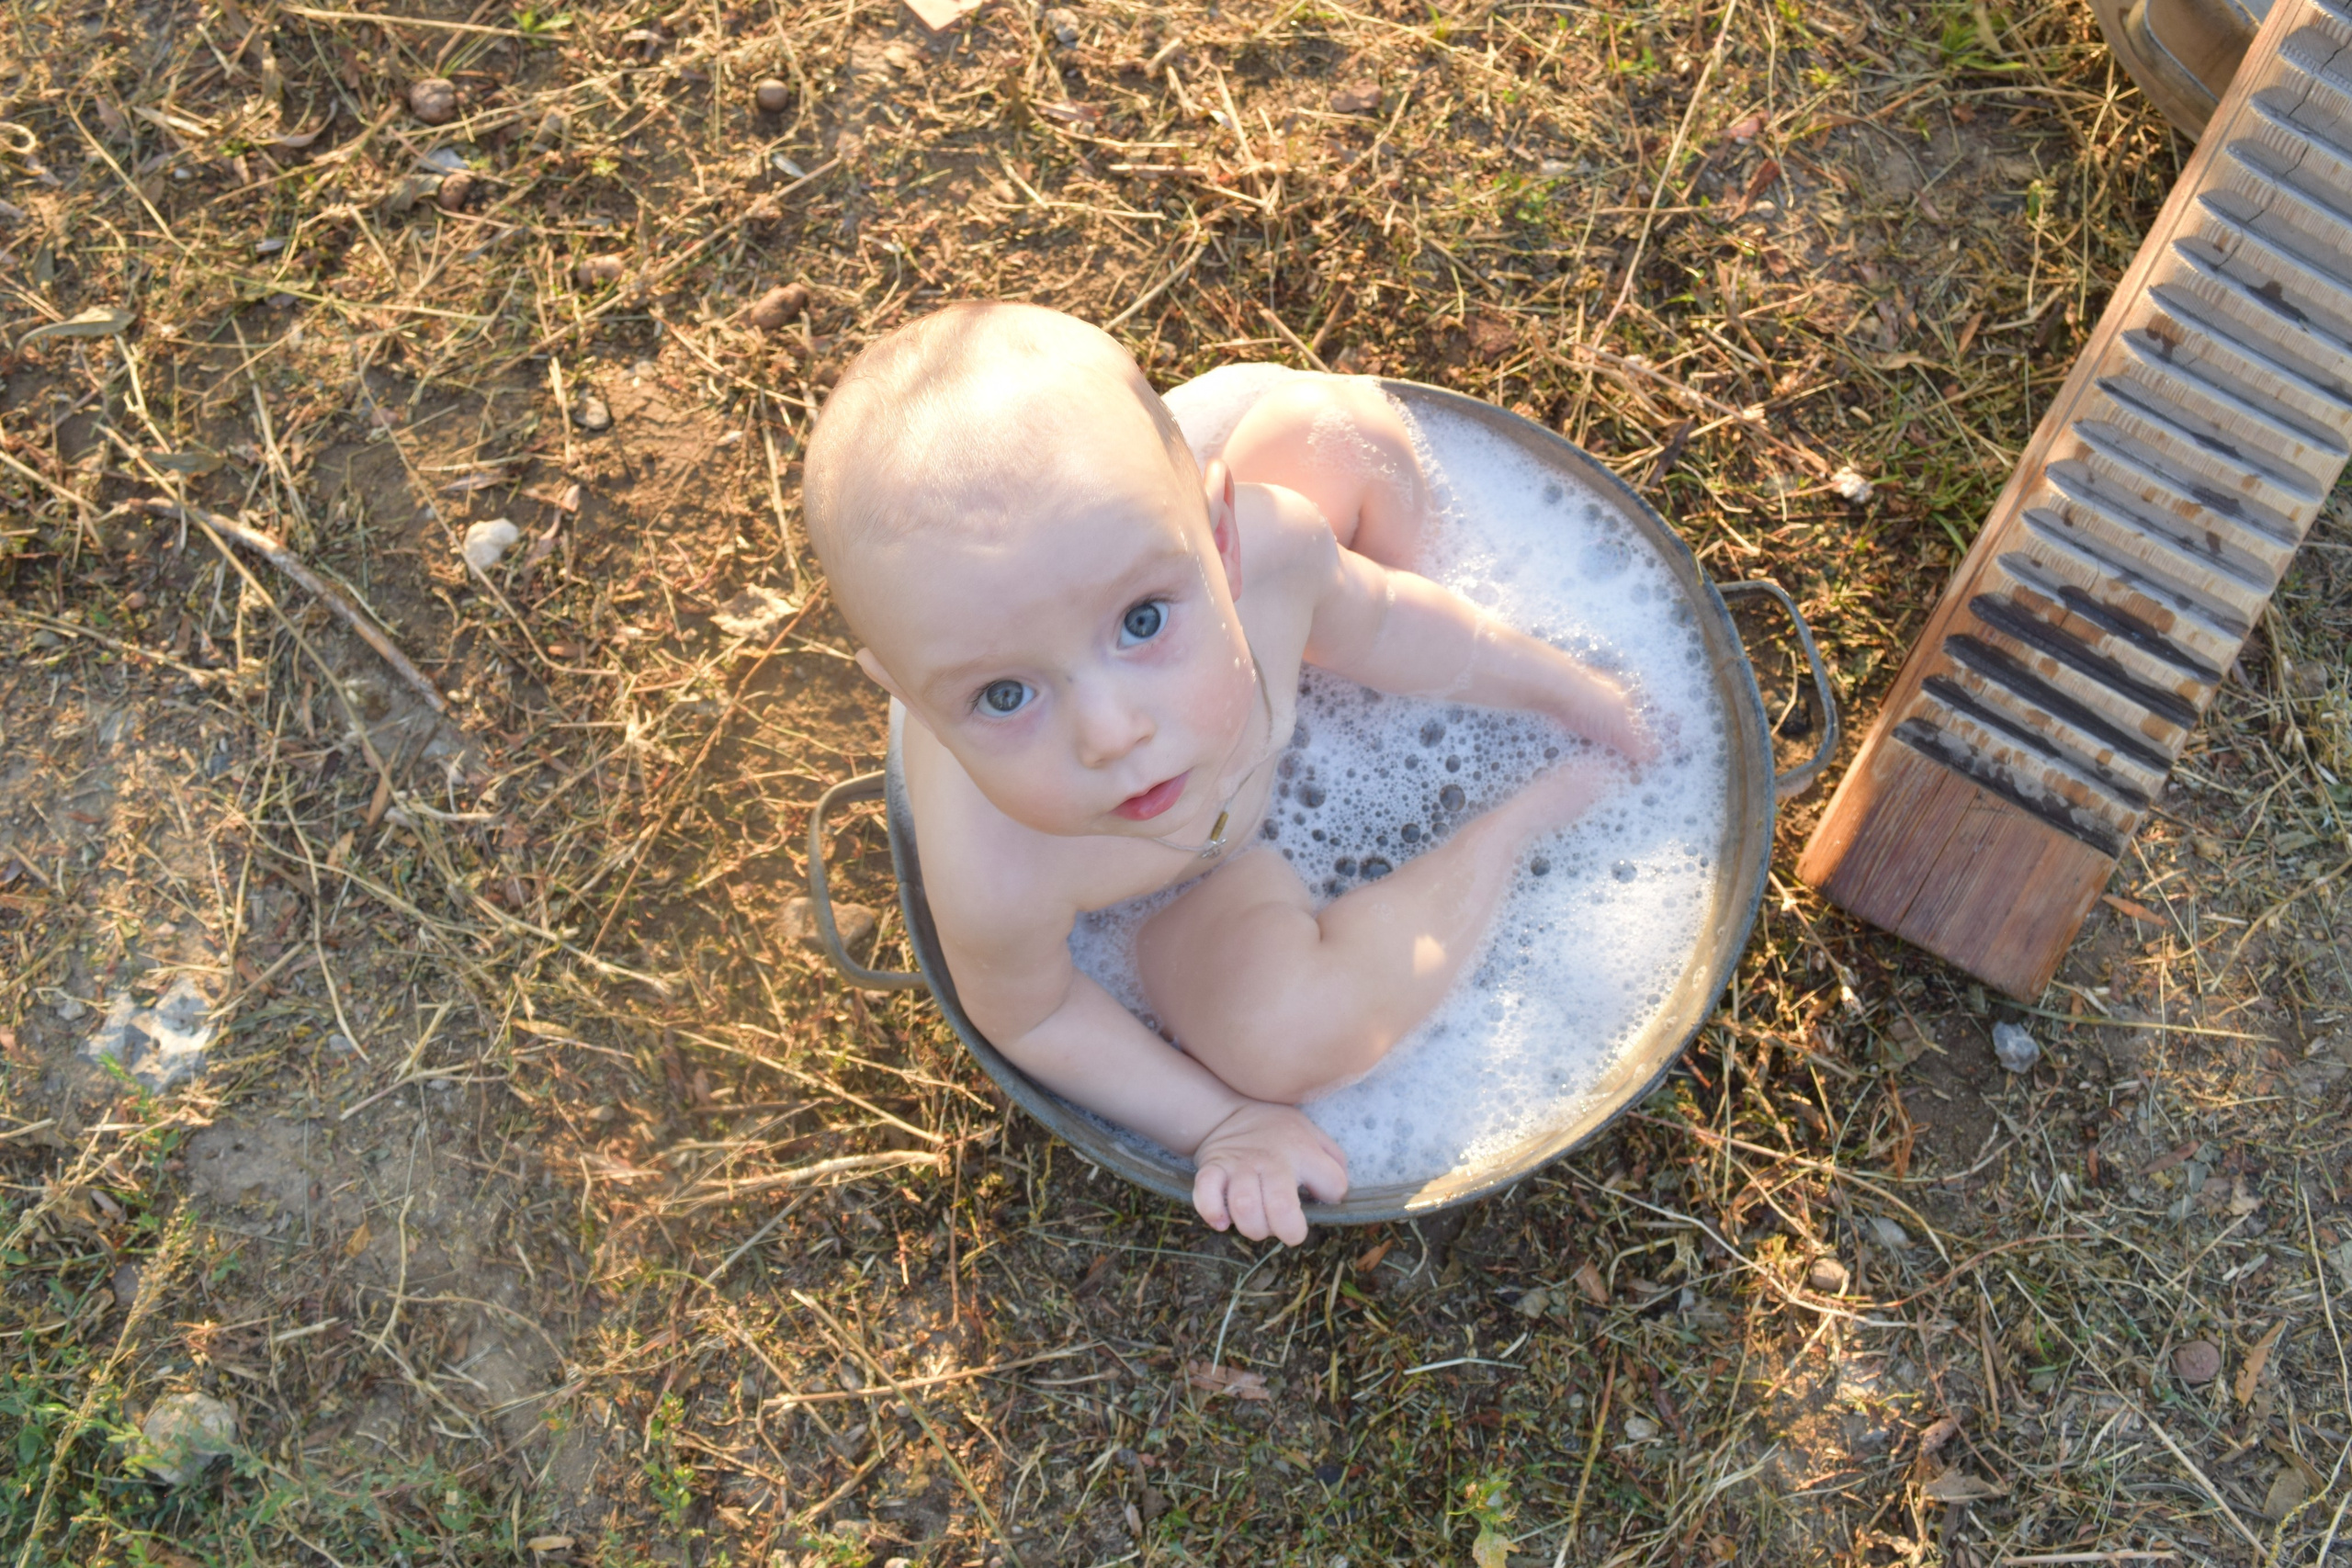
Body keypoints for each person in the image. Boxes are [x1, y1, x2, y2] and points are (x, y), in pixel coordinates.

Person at [801, 303, 1653, 1245]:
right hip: (1192, 892)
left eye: (1140, 622)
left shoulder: (1271, 560)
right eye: (1003, 695)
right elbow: (1033, 1016)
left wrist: (1559, 686)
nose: (1112, 734)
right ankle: (1518, 823)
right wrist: (1218, 1121)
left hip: (1250, 651)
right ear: (915, 703)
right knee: (1280, 1037)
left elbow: (1387, 623)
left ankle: (1459, 648)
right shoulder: (997, 872)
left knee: (1339, 430)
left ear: (1221, 542)